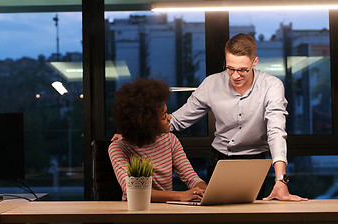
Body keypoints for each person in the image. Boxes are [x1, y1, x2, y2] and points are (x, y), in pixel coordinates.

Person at [113, 34, 307, 202]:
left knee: (251, 216)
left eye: (242, 70)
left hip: (253, 160)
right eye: (230, 68)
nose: (235, 75)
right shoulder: (211, 84)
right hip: (219, 159)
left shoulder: (272, 86)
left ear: (254, 62)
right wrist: (133, 133)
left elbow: (276, 131)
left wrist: (280, 179)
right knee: (218, 216)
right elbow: (177, 120)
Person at [108, 78, 207, 202]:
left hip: (164, 212)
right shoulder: (118, 148)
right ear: (146, 123)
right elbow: (131, 190)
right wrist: (180, 195)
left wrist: (206, 192)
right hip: (135, 213)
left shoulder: (170, 140)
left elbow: (191, 177)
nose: (170, 117)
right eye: (163, 116)